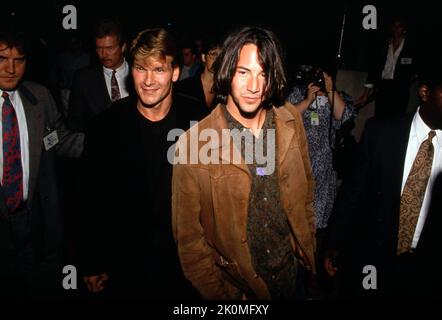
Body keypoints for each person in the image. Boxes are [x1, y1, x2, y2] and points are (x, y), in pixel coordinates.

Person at [172, 26, 316, 300]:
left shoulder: (289, 120)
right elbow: (190, 244)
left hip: (293, 277)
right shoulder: (193, 145)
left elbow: (306, 192)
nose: (254, 86)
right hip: (242, 290)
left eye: (264, 74)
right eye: (244, 72)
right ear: (227, 71)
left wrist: (306, 246)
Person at [80, 28, 205, 300]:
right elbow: (91, 199)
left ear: (174, 72)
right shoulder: (105, 127)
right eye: (140, 68)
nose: (148, 80)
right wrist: (92, 261)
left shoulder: (200, 121)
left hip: (187, 266)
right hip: (126, 263)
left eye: (158, 69)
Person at [325, 58, 442, 299]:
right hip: (374, 256)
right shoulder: (381, 132)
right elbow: (353, 192)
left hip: (425, 268)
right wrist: (334, 242)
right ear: (425, 92)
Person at [0, 27, 84, 299]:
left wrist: (106, 144)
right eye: (2, 59)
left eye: (19, 60)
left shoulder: (40, 99)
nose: (11, 69)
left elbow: (57, 140)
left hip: (35, 223)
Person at [287, 65, 353, 298]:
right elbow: (285, 118)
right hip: (301, 164)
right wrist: (308, 99)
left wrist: (331, 90)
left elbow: (345, 116)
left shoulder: (337, 95)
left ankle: (315, 275)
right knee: (300, 223)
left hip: (324, 168)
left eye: (322, 74)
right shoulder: (297, 92)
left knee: (320, 227)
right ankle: (299, 272)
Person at [67, 19, 130, 132]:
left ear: (123, 47)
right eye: (99, 48)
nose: (103, 54)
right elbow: (74, 123)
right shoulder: (83, 78)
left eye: (110, 48)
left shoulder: (139, 73)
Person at [356, 17, 417, 119]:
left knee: (396, 120)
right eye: (394, 26)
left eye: (399, 26)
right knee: (380, 118)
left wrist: (407, 83)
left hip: (400, 90)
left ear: (404, 29)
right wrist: (365, 94)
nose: (396, 29)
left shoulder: (410, 48)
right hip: (383, 87)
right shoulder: (384, 46)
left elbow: (414, 70)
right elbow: (374, 70)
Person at [175, 39, 221, 115]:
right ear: (203, 57)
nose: (217, 60)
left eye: (221, 56)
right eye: (213, 54)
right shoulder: (184, 88)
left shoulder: (224, 92)